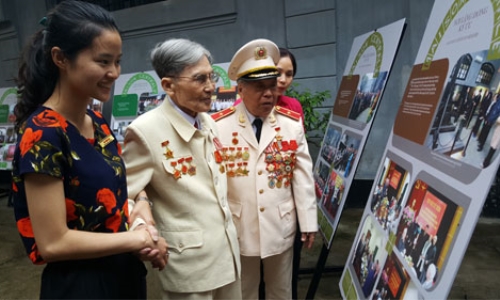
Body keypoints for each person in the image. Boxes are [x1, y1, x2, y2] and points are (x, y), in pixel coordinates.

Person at [11, 1, 168, 299]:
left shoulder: (96, 121)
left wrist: (143, 216)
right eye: (103, 61)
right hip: (81, 285)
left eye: (117, 61)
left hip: (124, 274)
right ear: (60, 58)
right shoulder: (43, 134)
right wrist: (135, 240)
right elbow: (54, 243)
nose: (114, 73)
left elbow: (119, 187)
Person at [121, 38, 242, 299]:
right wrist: (142, 228)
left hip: (226, 255)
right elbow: (122, 195)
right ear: (168, 85)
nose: (211, 87)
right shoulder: (145, 132)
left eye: (212, 77)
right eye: (199, 79)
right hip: (187, 268)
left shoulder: (208, 121)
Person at [212, 38, 317, 299]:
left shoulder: (290, 124)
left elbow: (302, 177)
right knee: (241, 291)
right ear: (240, 89)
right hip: (239, 227)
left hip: (280, 224)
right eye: (260, 87)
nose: (269, 94)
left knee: (281, 291)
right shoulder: (218, 127)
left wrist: (308, 222)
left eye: (272, 87)